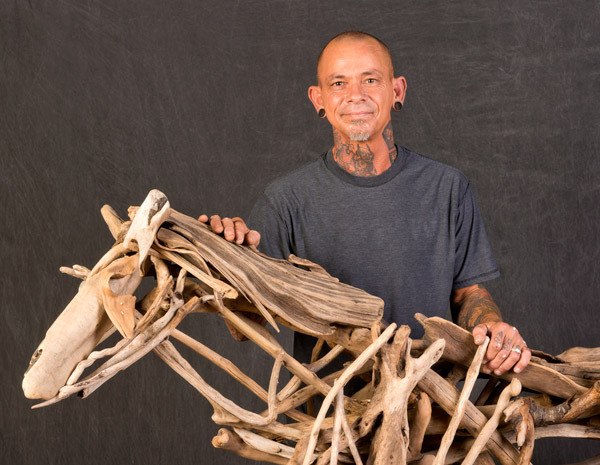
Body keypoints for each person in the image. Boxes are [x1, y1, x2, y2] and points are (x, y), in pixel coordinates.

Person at [200, 31, 531, 376]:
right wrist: (230, 259)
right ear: (318, 99)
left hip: (431, 403)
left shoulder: (447, 188)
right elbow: (244, 325)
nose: (355, 95)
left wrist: (492, 329)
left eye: (370, 80)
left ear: (397, 91)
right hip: (326, 405)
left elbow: (468, 295)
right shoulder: (285, 201)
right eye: (338, 83)